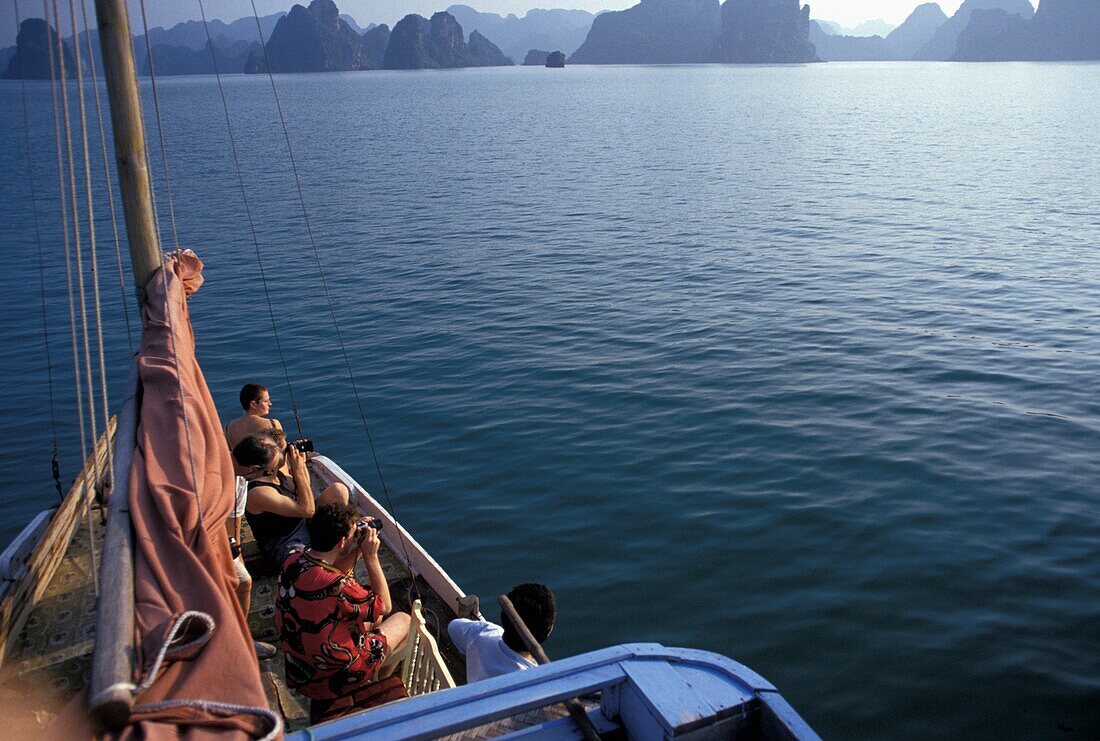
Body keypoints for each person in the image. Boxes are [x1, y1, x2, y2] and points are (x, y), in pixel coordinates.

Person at [276, 502, 411, 722]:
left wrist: (356, 546)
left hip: (301, 671)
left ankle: (371, 666)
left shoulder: (292, 560)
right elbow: (383, 605)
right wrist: (370, 556)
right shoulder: (340, 587)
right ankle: (375, 678)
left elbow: (331, 568)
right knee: (402, 620)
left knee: (372, 620)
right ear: (341, 542)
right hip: (337, 676)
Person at [232, 431, 349, 567]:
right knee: (307, 562)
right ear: (265, 468)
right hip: (286, 541)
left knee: (338, 491)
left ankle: (330, 549)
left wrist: (301, 465)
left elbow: (305, 493)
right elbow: (307, 510)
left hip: (303, 524)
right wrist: (298, 471)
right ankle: (330, 563)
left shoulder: (278, 474)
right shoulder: (258, 492)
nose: (283, 453)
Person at [447, 583, 556, 683]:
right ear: (548, 632)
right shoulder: (534, 679)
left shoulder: (483, 632)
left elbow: (453, 626)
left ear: (503, 616)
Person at [225, 383, 284, 452]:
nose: (270, 404)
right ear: (253, 404)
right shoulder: (272, 424)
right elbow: (282, 453)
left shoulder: (228, 427)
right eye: (266, 401)